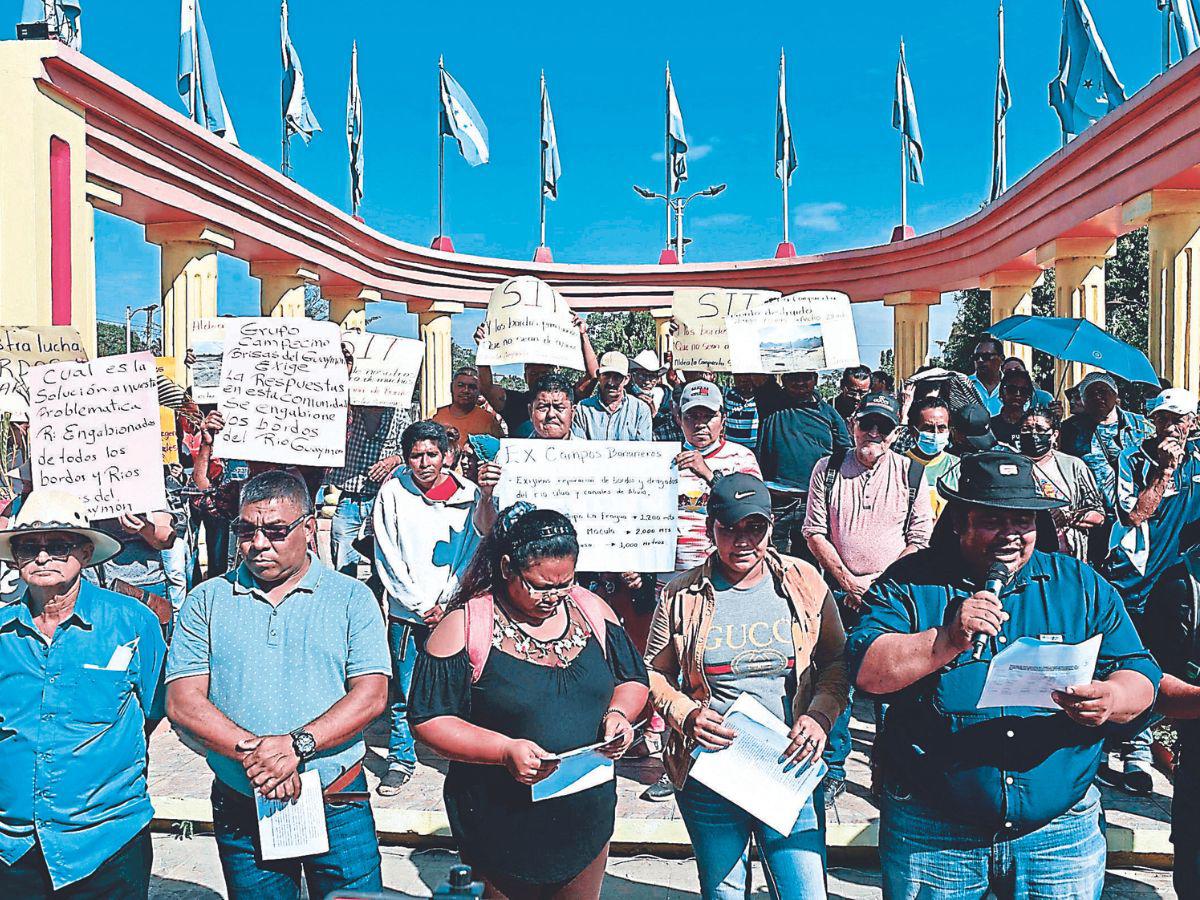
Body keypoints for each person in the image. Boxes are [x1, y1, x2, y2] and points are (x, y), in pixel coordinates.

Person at [847, 450, 1160, 899]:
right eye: (994, 520)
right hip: (934, 832)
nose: (1011, 535)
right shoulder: (909, 583)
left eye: (1023, 521)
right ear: (959, 521)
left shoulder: (1080, 585)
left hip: (1059, 834)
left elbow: (1140, 672)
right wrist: (947, 639)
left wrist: (1111, 698)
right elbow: (867, 672)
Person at [166, 471, 391, 899]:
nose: (259, 544)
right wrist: (264, 759)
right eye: (246, 531)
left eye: (275, 531)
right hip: (242, 799)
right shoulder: (207, 599)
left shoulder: (350, 598)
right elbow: (183, 701)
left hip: (336, 799)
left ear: (308, 528)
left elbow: (371, 695)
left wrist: (295, 747)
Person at [410, 504, 649, 899]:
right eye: (540, 585)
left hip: (584, 818)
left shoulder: (592, 611)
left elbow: (633, 679)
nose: (553, 597)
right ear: (507, 568)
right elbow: (429, 719)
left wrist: (619, 714)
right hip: (499, 823)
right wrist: (504, 750)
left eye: (565, 584)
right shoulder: (465, 625)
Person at [642, 474, 846, 899]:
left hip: (789, 766)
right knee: (726, 893)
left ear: (771, 526)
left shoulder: (804, 581)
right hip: (713, 773)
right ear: (709, 527)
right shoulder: (681, 594)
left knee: (804, 891)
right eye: (729, 528)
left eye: (755, 528)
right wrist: (687, 715)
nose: (743, 541)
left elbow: (837, 660)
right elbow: (654, 674)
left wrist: (820, 715)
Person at [0, 490, 166, 899]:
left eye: (57, 546)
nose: (42, 558)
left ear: (85, 551)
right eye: (28, 547)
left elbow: (156, 705)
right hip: (13, 848)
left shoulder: (132, 622)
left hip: (108, 841)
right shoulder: (2, 631)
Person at [802, 392, 933, 805]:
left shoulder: (912, 473)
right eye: (866, 424)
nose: (873, 433)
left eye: (883, 427)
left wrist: (880, 584)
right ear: (853, 424)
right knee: (836, 676)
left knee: (894, 681)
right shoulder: (827, 469)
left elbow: (920, 539)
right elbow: (813, 531)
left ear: (896, 434)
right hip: (838, 593)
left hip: (891, 597)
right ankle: (833, 767)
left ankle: (889, 766)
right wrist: (845, 580)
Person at [372, 421, 499, 795]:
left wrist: (448, 600)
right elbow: (387, 553)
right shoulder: (392, 493)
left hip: (452, 611)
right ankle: (401, 757)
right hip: (407, 613)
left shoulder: (471, 495)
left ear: (447, 456)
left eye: (432, 454)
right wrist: (418, 603)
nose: (425, 462)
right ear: (406, 458)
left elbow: (473, 550)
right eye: (416, 455)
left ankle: (461, 754)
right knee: (405, 690)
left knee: (460, 685)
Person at [1103, 388, 1200, 794]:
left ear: (1193, 424)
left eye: (1178, 419)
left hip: (1172, 585)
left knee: (1163, 664)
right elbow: (1133, 513)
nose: (1169, 427)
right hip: (1129, 577)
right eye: (1162, 418)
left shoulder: (1197, 464)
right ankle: (1123, 745)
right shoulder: (1132, 457)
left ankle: (1138, 745)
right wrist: (1162, 472)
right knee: (1124, 660)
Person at [753, 372, 852, 553]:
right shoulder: (770, 401)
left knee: (808, 568)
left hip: (812, 503)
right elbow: (756, 370)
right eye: (793, 378)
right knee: (771, 561)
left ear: (815, 379)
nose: (800, 383)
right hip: (775, 502)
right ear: (783, 380)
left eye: (805, 378)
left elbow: (845, 453)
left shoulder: (829, 413)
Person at [1058, 371, 1152, 560]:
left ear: (1115, 395)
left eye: (1103, 391)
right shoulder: (1069, 429)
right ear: (1082, 400)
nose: (1097, 397)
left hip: (1133, 511)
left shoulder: (1140, 425)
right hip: (1095, 516)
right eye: (1090, 393)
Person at [474, 315, 600, 436]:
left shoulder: (565, 397)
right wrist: (483, 349)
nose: (551, 414)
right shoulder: (514, 402)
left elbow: (594, 375)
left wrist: (583, 335)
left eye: (544, 373)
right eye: (534, 373)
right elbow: (486, 388)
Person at [326, 404, 408, 575]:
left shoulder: (399, 414)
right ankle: (347, 591)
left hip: (382, 497)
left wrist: (394, 460)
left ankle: (377, 593)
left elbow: (409, 449)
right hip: (350, 496)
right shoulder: (348, 411)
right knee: (341, 545)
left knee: (383, 550)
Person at [1016, 406, 1104, 561]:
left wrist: (1067, 517)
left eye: (1040, 429)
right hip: (1024, 553)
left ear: (1054, 434)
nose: (1033, 434)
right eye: (1026, 429)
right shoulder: (1011, 465)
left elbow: (1098, 515)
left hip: (1067, 554)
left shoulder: (1073, 466)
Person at [572, 351, 653, 441]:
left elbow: (643, 450)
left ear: (626, 379)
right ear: (599, 376)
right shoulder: (583, 409)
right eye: (606, 375)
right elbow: (579, 449)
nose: (611, 382)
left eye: (617, 377)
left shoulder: (641, 410)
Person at [905, 396, 958, 519]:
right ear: (913, 431)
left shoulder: (957, 467)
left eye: (941, 428)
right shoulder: (898, 465)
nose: (935, 434)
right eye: (928, 428)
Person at [434, 368, 504, 449]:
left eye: (472, 387)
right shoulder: (436, 415)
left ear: (479, 391)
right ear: (451, 387)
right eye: (461, 385)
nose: (466, 390)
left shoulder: (488, 420)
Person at [989, 369, 1035, 446]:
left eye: (1023, 390)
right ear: (1001, 392)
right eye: (1011, 389)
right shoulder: (990, 425)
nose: (1017, 394)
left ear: (1028, 395)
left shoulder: (1033, 425)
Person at [526, 373, 578, 440]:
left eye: (559, 408)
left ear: (572, 413)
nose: (551, 414)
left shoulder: (588, 449)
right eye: (542, 407)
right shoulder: (515, 449)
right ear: (530, 412)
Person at [967, 336, 1005, 415]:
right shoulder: (964, 385)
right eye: (976, 357)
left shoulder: (1013, 388)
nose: (980, 360)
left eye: (986, 356)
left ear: (1001, 359)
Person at [722, 373, 760, 449]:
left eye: (747, 375)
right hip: (731, 448)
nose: (743, 379)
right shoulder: (727, 394)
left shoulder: (761, 397)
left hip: (755, 449)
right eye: (738, 375)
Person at [628, 349, 667, 418]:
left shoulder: (666, 397)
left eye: (652, 376)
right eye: (642, 375)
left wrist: (654, 414)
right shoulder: (625, 396)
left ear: (658, 379)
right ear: (633, 376)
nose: (647, 382)